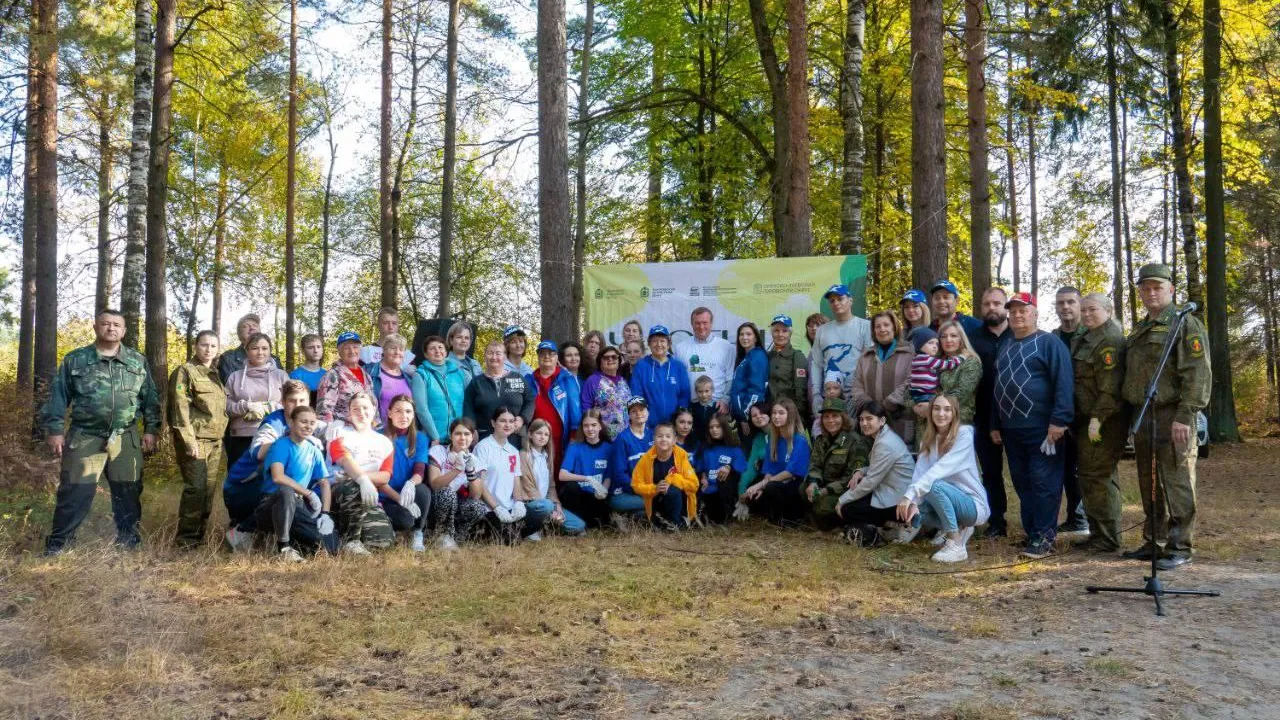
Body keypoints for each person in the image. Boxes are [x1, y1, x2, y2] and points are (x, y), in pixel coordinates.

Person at [40, 309, 161, 554]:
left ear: (124, 331)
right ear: (96, 327)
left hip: (125, 436)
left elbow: (150, 398)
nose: (111, 328)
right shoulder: (76, 359)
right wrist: (55, 429)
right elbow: (58, 396)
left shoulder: (137, 361)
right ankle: (59, 545)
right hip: (85, 435)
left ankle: (128, 542)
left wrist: (151, 430)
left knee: (128, 490)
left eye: (116, 324)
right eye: (105, 323)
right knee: (75, 492)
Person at [1120, 264, 1210, 569]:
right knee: (1149, 481)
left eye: (1157, 287)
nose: (1151, 293)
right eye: (1145, 288)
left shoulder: (1185, 323)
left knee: (1177, 479)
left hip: (1173, 413)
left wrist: (1185, 415)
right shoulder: (1141, 327)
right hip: (1144, 414)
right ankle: (1154, 541)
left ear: (1171, 289)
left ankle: (1180, 546)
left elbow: (1197, 373)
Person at [991, 292, 1074, 559]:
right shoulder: (1005, 345)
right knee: (1022, 482)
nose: (1017, 315)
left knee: (1044, 481)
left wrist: (1060, 420)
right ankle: (1032, 532)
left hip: (1043, 428)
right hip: (1012, 429)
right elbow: (998, 386)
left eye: (1023, 310)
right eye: (1013, 311)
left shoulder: (1049, 343)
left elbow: (1064, 383)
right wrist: (995, 423)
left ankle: (1045, 537)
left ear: (1035, 313)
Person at [222, 380, 315, 550]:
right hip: (243, 488)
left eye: (302, 400)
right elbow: (259, 453)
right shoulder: (273, 424)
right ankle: (245, 530)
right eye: (292, 400)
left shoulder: (308, 421)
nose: (297, 405)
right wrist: (290, 438)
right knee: (287, 474)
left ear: (308, 402)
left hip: (268, 489)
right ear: (283, 402)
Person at [896, 394, 990, 562]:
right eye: (937, 409)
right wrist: (913, 502)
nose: (941, 414)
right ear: (930, 412)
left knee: (932, 485)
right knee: (915, 511)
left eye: (947, 410)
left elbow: (940, 469)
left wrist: (910, 494)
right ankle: (960, 527)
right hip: (945, 499)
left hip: (972, 505)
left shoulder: (964, 434)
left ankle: (956, 544)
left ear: (954, 414)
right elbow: (919, 475)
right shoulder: (927, 441)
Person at [1070, 293, 1128, 553]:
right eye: (1083, 310)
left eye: (1092, 309)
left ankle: (1107, 537)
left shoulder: (1110, 340)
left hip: (1105, 421)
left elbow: (1110, 388)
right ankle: (1098, 533)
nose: (1086, 314)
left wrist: (1097, 419)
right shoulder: (1086, 336)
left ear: (1108, 310)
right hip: (1086, 419)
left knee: (1099, 476)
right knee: (1090, 476)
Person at [168, 330, 228, 548]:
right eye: (204, 345)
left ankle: (199, 538)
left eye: (213, 346)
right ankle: (185, 542)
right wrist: (188, 440)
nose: (208, 350)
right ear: (195, 346)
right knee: (195, 489)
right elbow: (179, 408)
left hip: (215, 440)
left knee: (208, 491)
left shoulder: (215, 374)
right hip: (196, 440)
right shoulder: (185, 371)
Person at [256, 405, 337, 561]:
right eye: (303, 422)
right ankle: (283, 547)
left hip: (298, 505)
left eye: (312, 423)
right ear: (292, 423)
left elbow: (325, 483)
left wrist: (325, 514)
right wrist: (308, 493)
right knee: (286, 491)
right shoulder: (281, 445)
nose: (308, 426)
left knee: (329, 546)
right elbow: (278, 477)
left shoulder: (314, 451)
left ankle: (296, 542)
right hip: (273, 503)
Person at [834, 401, 915, 545]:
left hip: (898, 499)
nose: (864, 423)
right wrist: (860, 471)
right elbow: (877, 467)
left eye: (869, 419)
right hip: (890, 491)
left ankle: (888, 529)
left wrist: (841, 500)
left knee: (847, 509)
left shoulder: (885, 443)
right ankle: (881, 527)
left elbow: (871, 481)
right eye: (861, 419)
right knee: (853, 493)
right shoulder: (883, 436)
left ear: (882, 420)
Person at [325, 392, 396, 555]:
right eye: (355, 409)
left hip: (368, 496)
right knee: (354, 485)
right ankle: (351, 541)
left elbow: (385, 476)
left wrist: (360, 476)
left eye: (365, 408)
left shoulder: (384, 442)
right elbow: (344, 460)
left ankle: (347, 530)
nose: (361, 413)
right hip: (339, 492)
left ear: (374, 409)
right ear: (349, 412)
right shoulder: (339, 433)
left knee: (382, 543)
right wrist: (361, 480)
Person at [969, 286, 1013, 537]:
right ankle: (997, 520)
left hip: (1015, 415)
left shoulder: (1019, 334)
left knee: (1021, 470)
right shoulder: (972, 338)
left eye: (997, 303)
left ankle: (1033, 521)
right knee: (991, 472)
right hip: (983, 415)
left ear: (1005, 306)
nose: (992, 308)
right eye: (987, 304)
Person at [473, 407, 543, 541]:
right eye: (502, 421)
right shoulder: (483, 447)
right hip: (490, 508)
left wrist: (519, 502)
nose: (507, 425)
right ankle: (505, 532)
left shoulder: (513, 451)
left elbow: (516, 479)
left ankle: (514, 529)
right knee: (510, 539)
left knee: (538, 518)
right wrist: (496, 507)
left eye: (511, 421)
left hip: (509, 506)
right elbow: (479, 484)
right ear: (493, 423)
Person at [1052, 286, 1089, 536]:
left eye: (1071, 302)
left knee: (1087, 469)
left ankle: (1089, 520)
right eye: (1061, 303)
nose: (1065, 307)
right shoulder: (1052, 338)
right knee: (1066, 468)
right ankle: (1075, 518)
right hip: (1061, 414)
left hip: (1089, 414)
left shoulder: (1092, 334)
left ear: (1079, 305)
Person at [740, 398, 811, 525]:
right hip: (776, 482)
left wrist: (762, 485)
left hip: (795, 483)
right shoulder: (773, 440)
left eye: (781, 413)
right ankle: (773, 516)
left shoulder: (799, 440)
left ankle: (791, 519)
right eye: (774, 413)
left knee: (770, 488)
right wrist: (761, 487)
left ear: (790, 415)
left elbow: (790, 473)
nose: (776, 416)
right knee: (753, 494)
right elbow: (769, 470)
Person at [225, 333, 292, 466]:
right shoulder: (234, 377)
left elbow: (291, 404)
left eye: (264, 348)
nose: (260, 352)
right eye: (255, 348)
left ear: (270, 351)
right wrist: (246, 406)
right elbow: (225, 406)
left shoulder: (281, 376)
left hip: (274, 434)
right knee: (240, 477)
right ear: (247, 351)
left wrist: (267, 407)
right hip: (241, 437)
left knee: (270, 476)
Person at [803, 398, 870, 530]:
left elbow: (851, 477)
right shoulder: (821, 440)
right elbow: (815, 464)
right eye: (826, 417)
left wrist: (827, 490)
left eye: (835, 416)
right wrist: (813, 482)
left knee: (822, 506)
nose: (830, 420)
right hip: (823, 485)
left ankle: (836, 526)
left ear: (843, 418)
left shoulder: (855, 441)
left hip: (843, 490)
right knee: (802, 489)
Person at [809, 284, 873, 422]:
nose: (836, 303)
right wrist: (816, 394)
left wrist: (862, 394)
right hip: (831, 396)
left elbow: (870, 363)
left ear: (850, 300)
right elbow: (817, 364)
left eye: (840, 299)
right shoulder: (822, 331)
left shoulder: (865, 326)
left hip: (856, 396)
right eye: (832, 300)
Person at [847, 311, 914, 443]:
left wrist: (889, 403)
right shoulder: (866, 356)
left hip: (899, 419)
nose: (882, 329)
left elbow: (911, 381)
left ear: (894, 327)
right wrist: (872, 407)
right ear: (873, 331)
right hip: (870, 423)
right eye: (877, 326)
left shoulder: (908, 353)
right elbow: (856, 385)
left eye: (886, 325)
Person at [426, 417, 490, 549]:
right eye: (458, 433)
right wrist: (457, 469)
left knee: (479, 506)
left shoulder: (475, 460)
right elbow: (435, 485)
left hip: (459, 504)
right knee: (447, 493)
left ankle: (458, 536)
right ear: (451, 436)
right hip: (437, 502)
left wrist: (470, 471)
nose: (462, 438)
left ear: (472, 437)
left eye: (467, 434)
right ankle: (442, 534)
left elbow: (476, 495)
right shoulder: (438, 451)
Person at [381, 395, 433, 551]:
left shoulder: (421, 438)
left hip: (407, 493)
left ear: (413, 414)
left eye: (408, 411)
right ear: (389, 413)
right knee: (405, 521)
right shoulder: (379, 436)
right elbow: (378, 479)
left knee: (423, 490)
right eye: (398, 411)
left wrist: (410, 483)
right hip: (385, 496)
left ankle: (418, 532)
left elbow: (419, 471)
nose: (404, 416)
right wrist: (399, 499)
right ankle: (390, 528)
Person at [520, 419, 586, 537]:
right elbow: (526, 484)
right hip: (530, 504)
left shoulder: (546, 457)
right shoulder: (524, 455)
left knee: (579, 525)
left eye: (546, 434)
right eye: (539, 433)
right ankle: (531, 528)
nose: (543, 437)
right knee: (546, 506)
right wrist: (550, 509)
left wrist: (557, 505)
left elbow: (551, 485)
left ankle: (547, 526)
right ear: (530, 434)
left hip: (547, 504)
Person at [630, 422, 699, 529]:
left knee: (673, 491)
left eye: (668, 436)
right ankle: (657, 521)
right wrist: (655, 488)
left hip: (680, 502)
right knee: (647, 520)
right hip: (656, 500)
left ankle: (675, 525)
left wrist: (673, 479)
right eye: (660, 436)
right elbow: (636, 485)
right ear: (654, 439)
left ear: (674, 440)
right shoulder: (646, 459)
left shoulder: (681, 456)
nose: (663, 439)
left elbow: (694, 485)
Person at [464, 340, 535, 441]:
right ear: (485, 356)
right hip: (484, 438)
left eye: (498, 353)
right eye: (490, 353)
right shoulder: (476, 382)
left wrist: (522, 418)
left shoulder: (517, 378)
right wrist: (472, 429)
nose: (494, 357)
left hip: (514, 437)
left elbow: (530, 400)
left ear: (505, 357)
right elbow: (468, 407)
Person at [527, 340, 582, 461]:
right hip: (535, 440)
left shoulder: (567, 379)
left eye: (551, 353)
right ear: (538, 357)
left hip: (561, 441)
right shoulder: (529, 380)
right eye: (542, 353)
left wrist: (573, 438)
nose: (547, 356)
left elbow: (575, 411)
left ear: (557, 357)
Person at [558, 409, 613, 529]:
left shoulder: (609, 448)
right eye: (586, 425)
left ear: (600, 426)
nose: (590, 429)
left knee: (603, 522)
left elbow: (609, 475)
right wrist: (586, 478)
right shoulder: (574, 447)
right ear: (582, 428)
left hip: (597, 496)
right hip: (580, 496)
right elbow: (562, 475)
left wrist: (604, 489)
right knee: (570, 487)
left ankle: (590, 523)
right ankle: (576, 522)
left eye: (594, 425)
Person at [674, 307, 736, 412]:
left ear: (711, 323)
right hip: (690, 408)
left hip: (718, 407)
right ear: (692, 324)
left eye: (705, 323)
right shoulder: (680, 348)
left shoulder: (726, 347)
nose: (701, 327)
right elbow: (678, 381)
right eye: (697, 323)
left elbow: (730, 378)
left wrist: (725, 400)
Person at [631, 325, 692, 429]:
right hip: (648, 427)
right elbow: (637, 395)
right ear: (649, 344)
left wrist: (679, 419)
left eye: (662, 341)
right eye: (654, 341)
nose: (659, 344)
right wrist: (644, 421)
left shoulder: (678, 366)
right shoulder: (641, 366)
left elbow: (684, 395)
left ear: (668, 344)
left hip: (673, 427)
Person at [410, 335, 467, 444]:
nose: (437, 351)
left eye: (440, 347)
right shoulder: (421, 375)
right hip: (433, 439)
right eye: (432, 348)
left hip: (458, 438)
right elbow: (421, 409)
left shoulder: (459, 373)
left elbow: (466, 403)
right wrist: (435, 437)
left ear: (446, 351)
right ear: (426, 354)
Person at [696, 413, 747, 524]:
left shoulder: (734, 447)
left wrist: (729, 467)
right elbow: (700, 468)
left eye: (718, 427)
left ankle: (727, 515)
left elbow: (742, 468)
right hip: (708, 488)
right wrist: (703, 477)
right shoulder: (705, 448)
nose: (714, 430)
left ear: (725, 427)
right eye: (711, 427)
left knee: (721, 519)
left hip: (725, 490)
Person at [609, 396, 653, 523]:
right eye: (634, 411)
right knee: (658, 502)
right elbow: (619, 474)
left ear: (648, 412)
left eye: (642, 410)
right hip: (624, 493)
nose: (638, 414)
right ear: (629, 415)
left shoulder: (653, 435)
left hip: (647, 489)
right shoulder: (622, 439)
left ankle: (629, 517)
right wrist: (641, 490)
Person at [316, 332, 375, 425]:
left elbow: (373, 405)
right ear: (339, 352)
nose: (352, 351)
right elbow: (324, 411)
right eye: (346, 348)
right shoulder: (333, 375)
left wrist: (376, 426)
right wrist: (330, 432)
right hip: (342, 429)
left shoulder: (367, 376)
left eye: (355, 347)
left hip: (366, 429)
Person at [935, 321, 983, 424]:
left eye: (953, 336)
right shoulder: (935, 361)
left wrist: (930, 405)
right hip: (930, 421)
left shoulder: (971, 361)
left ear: (961, 339)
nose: (948, 340)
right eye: (944, 336)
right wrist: (916, 405)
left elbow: (961, 393)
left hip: (958, 420)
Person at [580, 345, 632, 438]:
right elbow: (586, 407)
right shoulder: (593, 380)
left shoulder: (623, 381)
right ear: (600, 362)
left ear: (619, 360)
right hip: (603, 436)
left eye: (614, 357)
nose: (610, 359)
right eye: (606, 358)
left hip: (625, 435)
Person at [767, 315, 809, 426]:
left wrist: (798, 418)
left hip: (791, 416)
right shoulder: (766, 356)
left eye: (784, 331)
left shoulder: (797, 356)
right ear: (772, 333)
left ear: (790, 334)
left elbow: (801, 391)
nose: (780, 334)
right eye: (776, 331)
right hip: (771, 415)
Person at [734, 400, 775, 513]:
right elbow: (751, 467)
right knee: (750, 495)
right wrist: (741, 491)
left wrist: (762, 463)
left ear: (769, 413)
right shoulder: (759, 438)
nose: (758, 417)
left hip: (779, 478)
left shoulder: (780, 433)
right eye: (754, 415)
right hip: (764, 477)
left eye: (762, 413)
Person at [217, 313, 281, 382]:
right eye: (245, 326)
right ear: (239, 334)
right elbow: (229, 386)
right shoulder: (228, 358)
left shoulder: (274, 360)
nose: (252, 328)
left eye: (255, 325)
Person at [906, 327, 962, 405]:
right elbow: (947, 364)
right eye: (930, 343)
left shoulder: (916, 358)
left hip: (916, 393)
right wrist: (959, 359)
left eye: (936, 344)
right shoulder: (927, 360)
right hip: (925, 394)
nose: (935, 346)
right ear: (919, 345)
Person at [368, 334, 413, 422]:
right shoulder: (370, 372)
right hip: (379, 428)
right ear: (384, 350)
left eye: (401, 349)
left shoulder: (408, 378)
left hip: (404, 429)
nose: (397, 352)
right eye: (393, 348)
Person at [730, 322, 769, 423]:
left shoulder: (757, 357)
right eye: (741, 334)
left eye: (748, 334)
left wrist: (746, 414)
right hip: (740, 415)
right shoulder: (746, 357)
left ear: (755, 338)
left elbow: (757, 390)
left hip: (748, 417)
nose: (744, 337)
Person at [290, 333, 327, 406]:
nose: (316, 350)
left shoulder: (327, 374)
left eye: (318, 347)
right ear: (303, 351)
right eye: (311, 347)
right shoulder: (295, 376)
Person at [690, 375, 718, 447]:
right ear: (696, 392)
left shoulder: (717, 407)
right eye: (700, 392)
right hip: (697, 442)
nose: (704, 395)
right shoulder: (692, 406)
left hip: (714, 442)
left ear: (712, 390)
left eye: (707, 391)